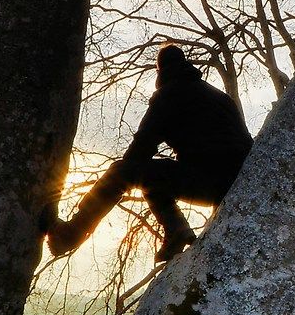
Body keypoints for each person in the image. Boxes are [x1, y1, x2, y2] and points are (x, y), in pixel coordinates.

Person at [46, 45, 253, 262]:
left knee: (123, 172)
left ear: (160, 70)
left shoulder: (169, 94)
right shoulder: (220, 97)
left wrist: (125, 173)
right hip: (236, 184)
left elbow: (141, 147)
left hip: (207, 181)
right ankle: (176, 231)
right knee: (153, 178)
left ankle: (70, 235)